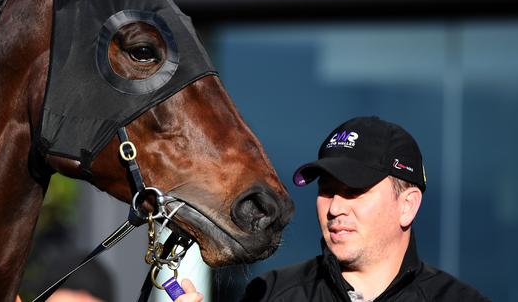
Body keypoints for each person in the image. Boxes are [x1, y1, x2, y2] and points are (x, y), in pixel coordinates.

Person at [176, 116, 489, 302]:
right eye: (326, 189)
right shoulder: (271, 294)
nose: (335, 207)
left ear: (407, 205)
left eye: (354, 190)